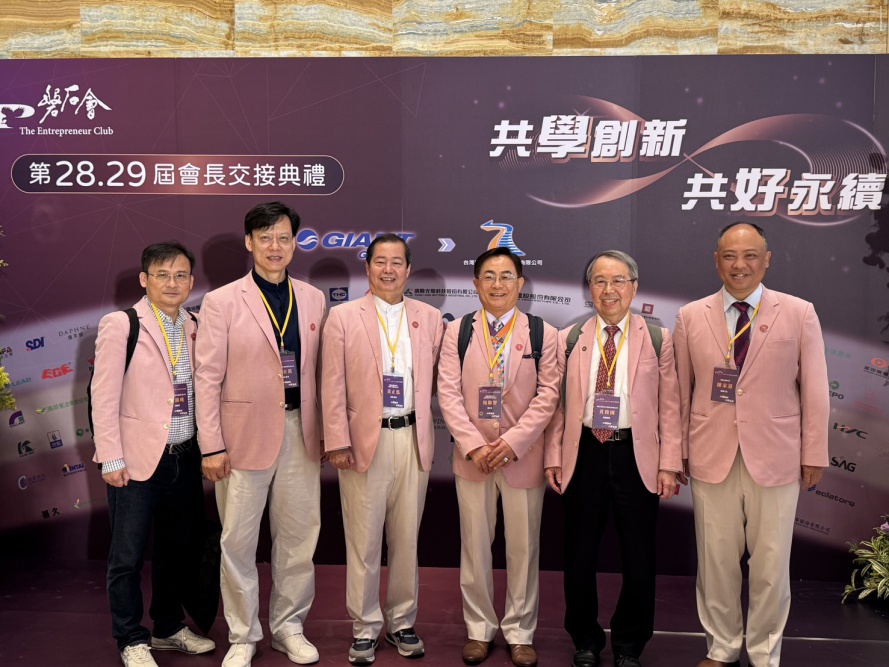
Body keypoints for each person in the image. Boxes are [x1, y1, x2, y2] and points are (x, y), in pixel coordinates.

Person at [673, 222, 829, 667]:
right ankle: (721, 648)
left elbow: (815, 389)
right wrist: (676, 452)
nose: (739, 265)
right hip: (710, 455)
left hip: (777, 457)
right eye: (729, 255)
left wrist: (814, 451)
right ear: (716, 260)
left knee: (771, 565)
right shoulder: (690, 316)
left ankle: (764, 653)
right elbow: (678, 392)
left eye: (749, 255)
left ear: (766, 259)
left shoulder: (799, 313)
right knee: (716, 561)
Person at [195, 202, 326, 667]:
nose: (275, 246)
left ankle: (289, 627)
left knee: (298, 538)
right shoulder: (222, 301)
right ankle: (243, 634)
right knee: (238, 542)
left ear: (295, 244)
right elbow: (207, 377)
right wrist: (212, 445)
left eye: (284, 237)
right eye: (265, 237)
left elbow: (323, 374)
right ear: (249, 242)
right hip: (241, 437)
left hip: (300, 432)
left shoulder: (313, 298)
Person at [545, 250, 682, 667]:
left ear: (634, 287)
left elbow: (670, 407)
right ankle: (585, 640)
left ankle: (629, 644)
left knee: (638, 556)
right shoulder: (569, 338)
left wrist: (669, 463)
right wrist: (553, 456)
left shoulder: (657, 338)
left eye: (618, 281)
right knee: (579, 553)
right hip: (584, 453)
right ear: (590, 288)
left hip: (635, 455)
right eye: (600, 281)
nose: (609, 290)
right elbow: (558, 407)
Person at [321, 233, 443, 665]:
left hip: (412, 438)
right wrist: (337, 441)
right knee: (363, 539)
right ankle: (365, 627)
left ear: (408, 270)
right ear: (367, 267)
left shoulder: (430, 318)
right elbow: (330, 384)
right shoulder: (342, 316)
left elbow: (441, 381)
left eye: (396, 262)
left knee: (407, 539)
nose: (388, 270)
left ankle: (402, 621)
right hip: (362, 442)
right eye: (380, 262)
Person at [92, 241, 215, 667]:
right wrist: (111, 457)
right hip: (136, 460)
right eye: (162, 275)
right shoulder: (121, 324)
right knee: (126, 557)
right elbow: (103, 396)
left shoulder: (196, 324)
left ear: (191, 281)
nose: (172, 283)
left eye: (180, 275)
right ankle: (130, 638)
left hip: (184, 457)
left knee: (176, 550)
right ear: (144, 279)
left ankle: (167, 627)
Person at [437, 248, 560, 667]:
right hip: (473, 458)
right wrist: (473, 444)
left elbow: (549, 396)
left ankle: (521, 633)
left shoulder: (543, 333)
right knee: (475, 548)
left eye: (507, 276)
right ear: (475, 284)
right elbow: (448, 393)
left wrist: (513, 442)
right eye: (488, 276)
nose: (497, 284)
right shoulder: (458, 332)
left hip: (522, 457)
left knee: (523, 550)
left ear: (520, 283)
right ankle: (479, 630)